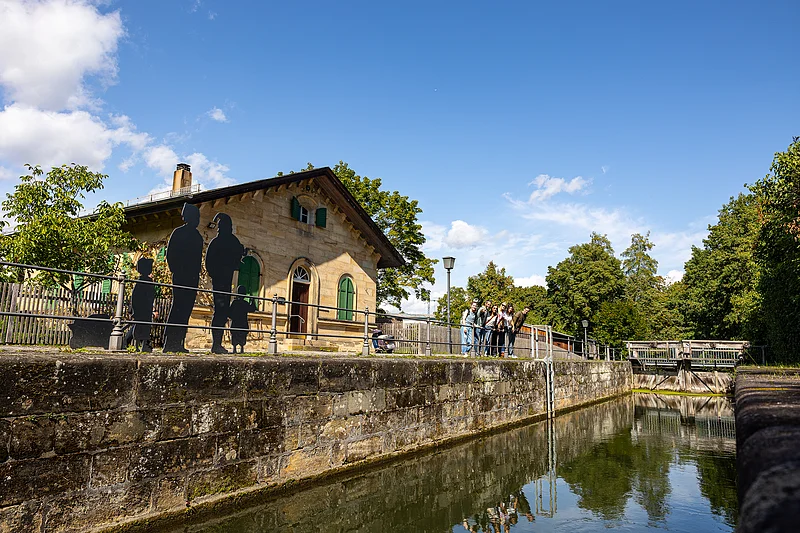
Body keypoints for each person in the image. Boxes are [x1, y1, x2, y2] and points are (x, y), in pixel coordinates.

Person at [163, 203, 203, 353]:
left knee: (186, 310)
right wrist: (177, 271)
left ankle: (179, 341)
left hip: (192, 278)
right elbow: (170, 254)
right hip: (181, 276)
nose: (198, 220)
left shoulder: (198, 237)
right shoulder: (178, 233)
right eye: (196, 217)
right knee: (178, 308)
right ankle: (169, 342)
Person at [205, 212, 247, 354]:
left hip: (225, 281)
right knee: (220, 311)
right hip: (220, 281)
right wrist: (215, 274)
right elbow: (209, 263)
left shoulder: (231, 241)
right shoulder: (218, 242)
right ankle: (216, 343)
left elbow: (238, 260)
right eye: (219, 226)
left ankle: (217, 344)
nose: (218, 229)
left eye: (221, 226)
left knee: (222, 312)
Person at [130, 257, 155, 353]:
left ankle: (143, 345)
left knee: (145, 327)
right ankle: (137, 345)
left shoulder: (146, 282)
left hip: (146, 308)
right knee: (140, 327)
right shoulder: (142, 282)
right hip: (142, 309)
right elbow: (136, 297)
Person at [228, 285, 256, 353]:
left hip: (235, 322)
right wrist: (252, 301)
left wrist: (231, 317)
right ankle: (241, 349)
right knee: (242, 335)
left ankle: (235, 349)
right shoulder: (245, 303)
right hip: (242, 323)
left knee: (235, 335)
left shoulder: (234, 302)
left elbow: (229, 312)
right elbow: (252, 309)